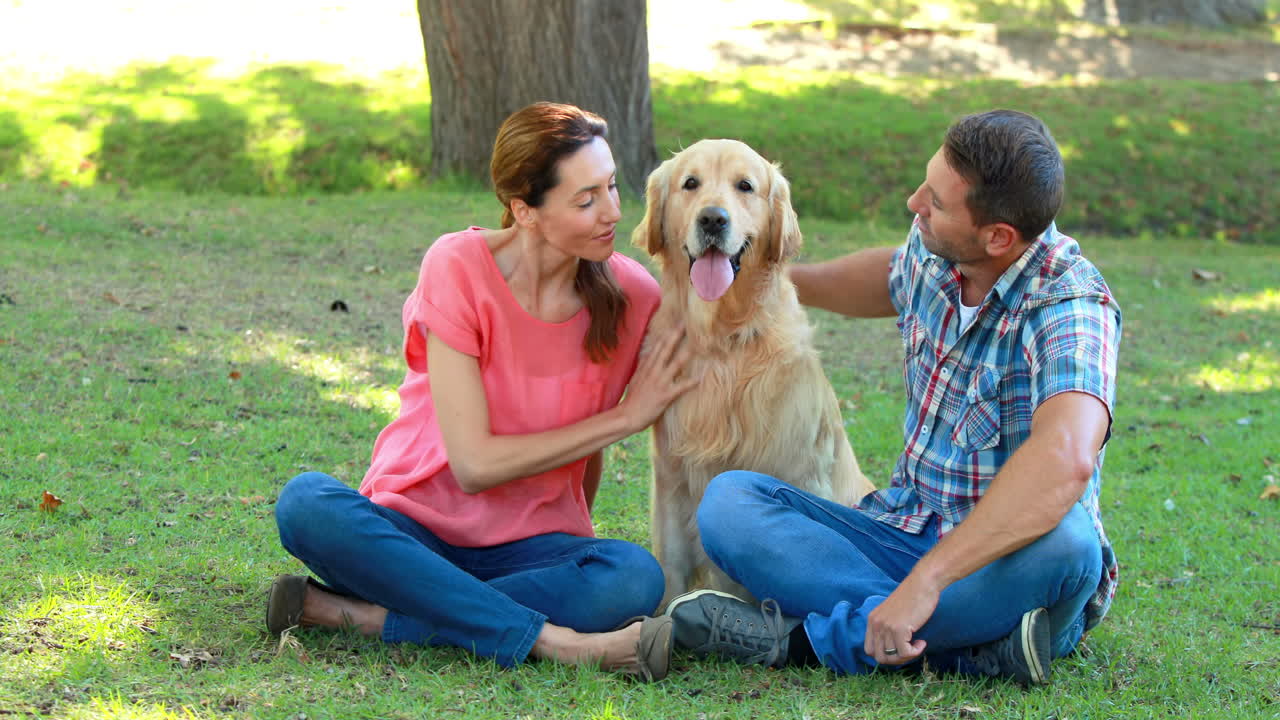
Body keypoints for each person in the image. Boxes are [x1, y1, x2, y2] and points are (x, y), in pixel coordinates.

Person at [664, 109, 1121, 685]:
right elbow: (891, 274)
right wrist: (759, 280)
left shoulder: (1071, 308)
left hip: (1005, 561)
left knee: (1071, 545)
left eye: (936, 200)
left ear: (997, 237)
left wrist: (926, 584)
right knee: (729, 504)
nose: (914, 203)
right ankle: (976, 647)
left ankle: (804, 642)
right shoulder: (940, 246)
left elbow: (1066, 461)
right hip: (898, 532)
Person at [267, 102, 697, 682]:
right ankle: (558, 643)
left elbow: (597, 436)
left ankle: (365, 616)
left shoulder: (633, 296)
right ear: (525, 209)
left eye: (613, 186)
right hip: (412, 533)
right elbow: (473, 464)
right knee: (306, 503)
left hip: (528, 550)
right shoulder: (458, 266)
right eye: (586, 199)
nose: (613, 212)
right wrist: (626, 419)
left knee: (632, 576)